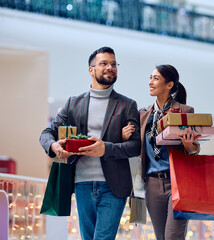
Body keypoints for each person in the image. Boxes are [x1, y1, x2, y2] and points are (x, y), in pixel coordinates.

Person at [39, 46, 141, 240]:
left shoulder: (127, 105)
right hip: (81, 183)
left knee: (102, 237)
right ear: (91, 70)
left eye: (113, 64)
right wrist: (54, 146)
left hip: (113, 186)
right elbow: (47, 133)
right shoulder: (73, 103)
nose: (110, 67)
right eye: (104, 63)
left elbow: (135, 147)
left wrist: (106, 148)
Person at [122, 64, 200, 240]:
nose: (150, 82)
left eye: (156, 78)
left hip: (177, 182)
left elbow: (195, 147)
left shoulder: (185, 111)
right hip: (152, 184)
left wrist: (188, 145)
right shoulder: (142, 114)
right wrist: (125, 137)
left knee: (173, 236)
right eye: (150, 77)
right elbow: (135, 149)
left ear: (169, 84)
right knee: (161, 237)